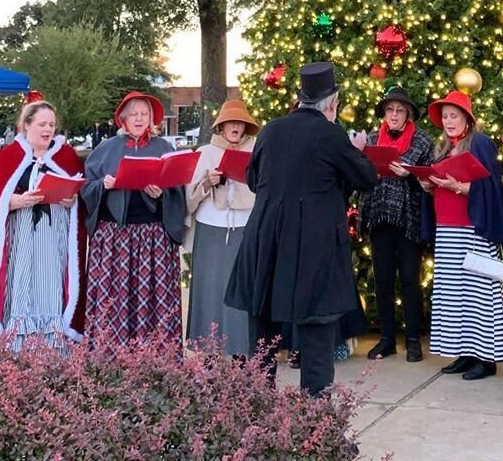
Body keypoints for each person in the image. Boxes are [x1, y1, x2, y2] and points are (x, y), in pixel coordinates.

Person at [225, 61, 378, 396]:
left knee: (263, 328)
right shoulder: (332, 134)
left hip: (266, 239)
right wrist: (358, 151)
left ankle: (259, 406)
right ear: (332, 103)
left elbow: (253, 180)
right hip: (313, 245)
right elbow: (366, 178)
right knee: (316, 329)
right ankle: (314, 413)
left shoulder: (271, 130)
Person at [416, 89, 503, 380]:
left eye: (453, 115)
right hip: (447, 229)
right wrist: (429, 186)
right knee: (454, 293)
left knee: (479, 293)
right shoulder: (442, 147)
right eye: (444, 116)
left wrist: (460, 187)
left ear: (467, 119)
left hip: (473, 228)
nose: (448, 121)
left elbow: (491, 188)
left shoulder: (480, 143)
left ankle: (486, 358)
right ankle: (465, 353)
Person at [81, 91, 185, 347]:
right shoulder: (106, 148)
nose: (139, 119)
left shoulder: (164, 148)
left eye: (144, 114)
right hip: (115, 237)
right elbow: (85, 188)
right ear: (123, 119)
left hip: (154, 238)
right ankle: (110, 357)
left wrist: (162, 195)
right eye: (134, 114)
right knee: (114, 299)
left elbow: (178, 190)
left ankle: (156, 358)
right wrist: (102, 185)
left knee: (153, 297)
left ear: (151, 118)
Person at [0, 101, 86, 349]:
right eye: (42, 124)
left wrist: (71, 201)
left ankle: (54, 351)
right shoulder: (8, 157)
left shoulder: (66, 157)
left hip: (53, 236)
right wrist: (12, 201)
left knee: (51, 288)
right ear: (26, 126)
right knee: (22, 286)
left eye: (52, 125)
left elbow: (81, 197)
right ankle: (19, 352)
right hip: (21, 236)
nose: (48, 129)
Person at [359, 86, 434, 363]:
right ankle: (388, 339)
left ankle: (413, 339)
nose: (394, 114)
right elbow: (362, 174)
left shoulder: (423, 141)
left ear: (408, 113)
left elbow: (430, 180)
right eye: (389, 109)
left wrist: (411, 176)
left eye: (399, 110)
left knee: (410, 280)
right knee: (383, 280)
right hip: (378, 216)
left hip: (409, 219)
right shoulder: (371, 138)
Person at [185, 98, 259, 356]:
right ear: (222, 126)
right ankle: (208, 349)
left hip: (244, 227)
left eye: (240, 122)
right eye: (231, 122)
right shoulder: (205, 152)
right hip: (211, 228)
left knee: (241, 291)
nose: (236, 126)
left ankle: (241, 350)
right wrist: (207, 182)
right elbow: (189, 195)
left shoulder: (257, 149)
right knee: (210, 289)